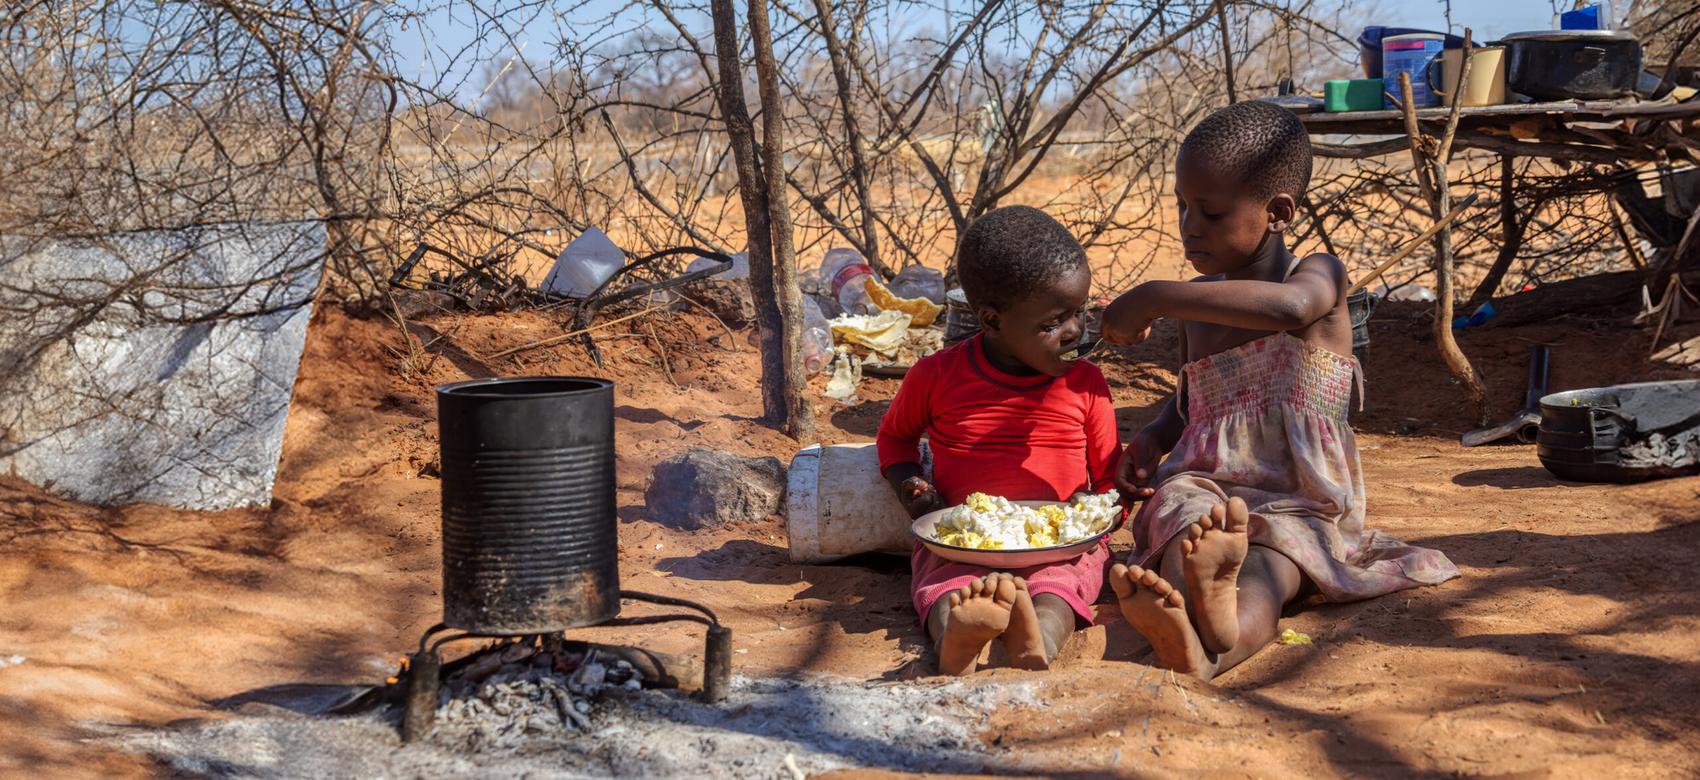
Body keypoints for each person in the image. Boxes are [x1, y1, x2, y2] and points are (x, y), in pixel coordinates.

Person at [1100, 101, 1459, 680]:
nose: (1190, 226)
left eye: (1210, 212)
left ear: (1279, 212)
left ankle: (1220, 633)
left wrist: (1155, 295)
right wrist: (1153, 436)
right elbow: (1196, 397)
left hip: (1300, 497)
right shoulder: (1197, 300)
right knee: (1180, 525)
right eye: (1182, 206)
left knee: (1273, 567)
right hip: (1205, 479)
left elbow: (1291, 309)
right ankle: (1196, 611)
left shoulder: (1317, 277)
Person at [877, 205, 1122, 676]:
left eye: (1080, 312)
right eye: (1053, 323)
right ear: (991, 321)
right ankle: (956, 639)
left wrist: (1098, 515)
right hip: (963, 543)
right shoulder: (936, 376)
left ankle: (1040, 638)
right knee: (946, 588)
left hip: (1061, 546)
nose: (1075, 332)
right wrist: (911, 487)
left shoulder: (1087, 385)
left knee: (1059, 589)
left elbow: (1109, 478)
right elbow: (895, 439)